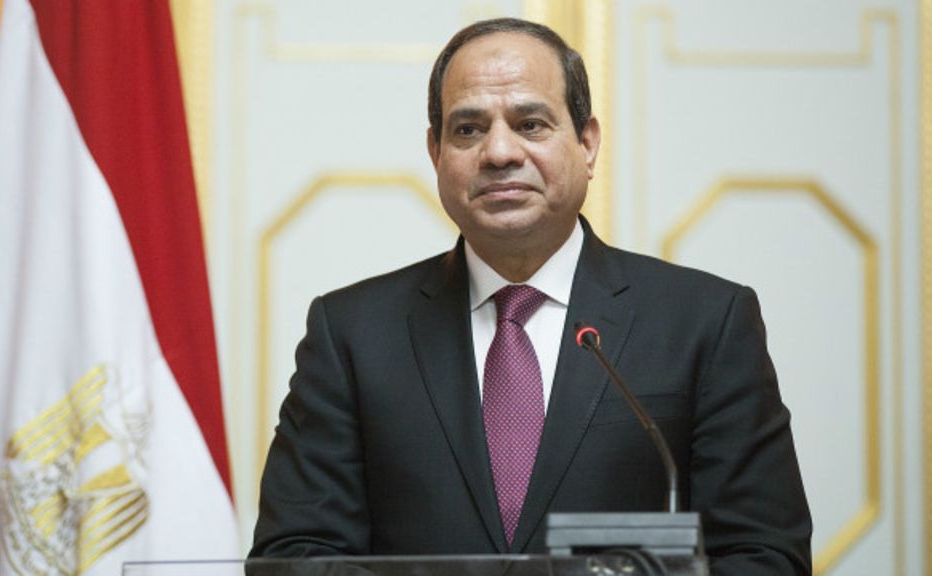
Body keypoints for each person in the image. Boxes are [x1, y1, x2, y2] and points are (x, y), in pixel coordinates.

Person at [249, 17, 812, 575]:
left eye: (531, 124)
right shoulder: (352, 334)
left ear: (587, 144)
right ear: (435, 153)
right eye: (468, 129)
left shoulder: (705, 323)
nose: (499, 152)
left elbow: (765, 558)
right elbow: (293, 557)